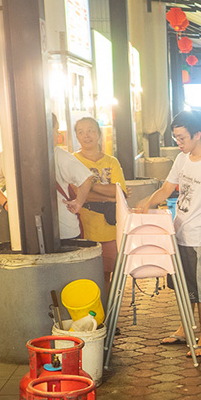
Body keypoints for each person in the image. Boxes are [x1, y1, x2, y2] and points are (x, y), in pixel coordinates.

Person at [136, 109, 201, 359]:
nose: (178, 142)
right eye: (176, 137)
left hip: (199, 237)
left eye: (182, 138)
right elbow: (167, 188)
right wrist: (147, 201)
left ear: (197, 134)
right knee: (181, 285)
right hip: (178, 232)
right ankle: (185, 328)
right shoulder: (182, 158)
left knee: (200, 289)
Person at [72, 117, 127, 296]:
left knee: (109, 276)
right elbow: (77, 194)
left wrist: (89, 184)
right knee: (88, 277)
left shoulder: (111, 161)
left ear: (99, 134)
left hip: (110, 230)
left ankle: (108, 318)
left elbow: (120, 192)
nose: (86, 135)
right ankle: (95, 319)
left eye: (90, 130)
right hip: (83, 229)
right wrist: (109, 196)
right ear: (76, 136)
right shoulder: (72, 161)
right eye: (81, 132)